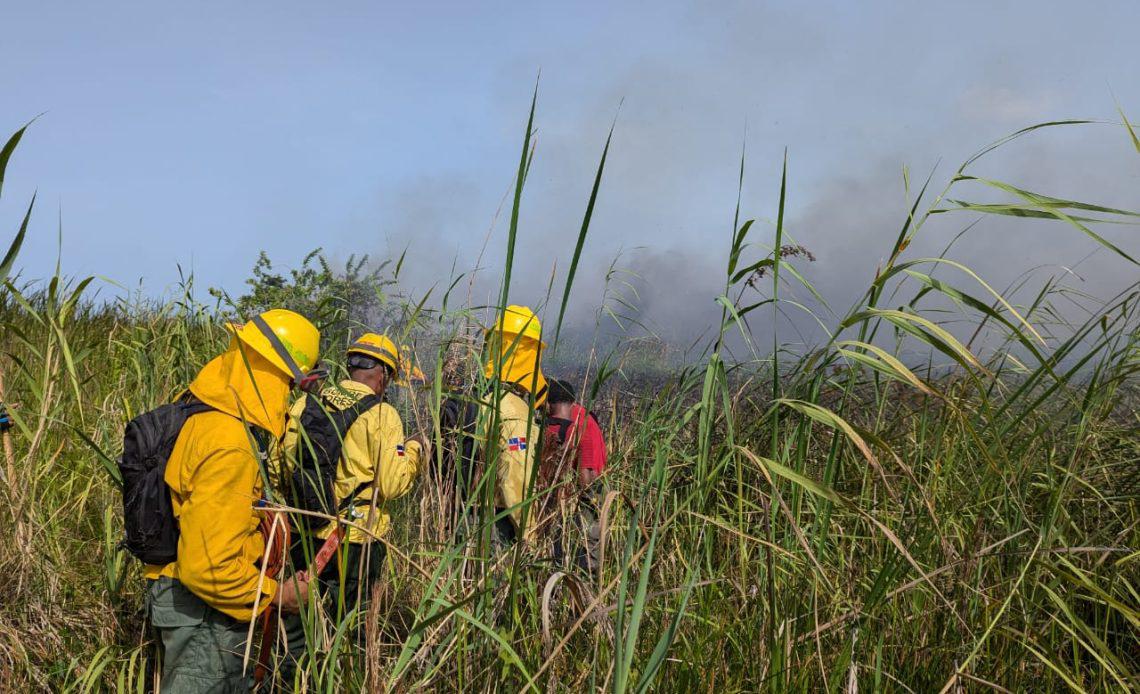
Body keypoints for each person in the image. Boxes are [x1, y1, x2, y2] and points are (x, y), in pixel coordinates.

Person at [145, 309, 319, 693]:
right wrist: (279, 595)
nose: (290, 398)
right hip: (205, 613)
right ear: (278, 377)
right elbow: (209, 567)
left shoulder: (204, 413)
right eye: (292, 385)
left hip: (185, 603)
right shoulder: (232, 444)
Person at [277, 333, 426, 666]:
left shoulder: (305, 404)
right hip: (358, 540)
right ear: (383, 374)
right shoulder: (382, 414)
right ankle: (348, 678)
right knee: (353, 628)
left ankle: (294, 681)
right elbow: (391, 484)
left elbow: (283, 464)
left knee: (298, 625)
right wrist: (415, 451)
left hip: (305, 530)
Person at [475, 305, 547, 548]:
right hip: (499, 526)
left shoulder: (479, 399)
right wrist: (531, 537)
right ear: (529, 354)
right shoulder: (513, 411)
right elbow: (514, 479)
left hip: (466, 518)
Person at [543, 379, 607, 575]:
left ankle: (583, 593)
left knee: (585, 553)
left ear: (548, 403)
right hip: (572, 495)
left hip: (584, 495)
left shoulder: (580, 426)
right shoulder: (581, 419)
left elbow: (588, 476)